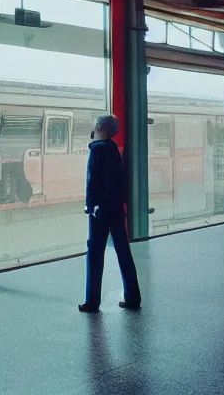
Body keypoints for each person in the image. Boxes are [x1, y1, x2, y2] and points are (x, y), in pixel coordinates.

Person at [78, 114, 141, 313]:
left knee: (95, 253)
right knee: (123, 251)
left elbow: (92, 181)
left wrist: (90, 205)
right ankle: (132, 297)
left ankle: (92, 301)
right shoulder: (114, 148)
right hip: (115, 208)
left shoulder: (96, 149)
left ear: (99, 129)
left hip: (99, 211)